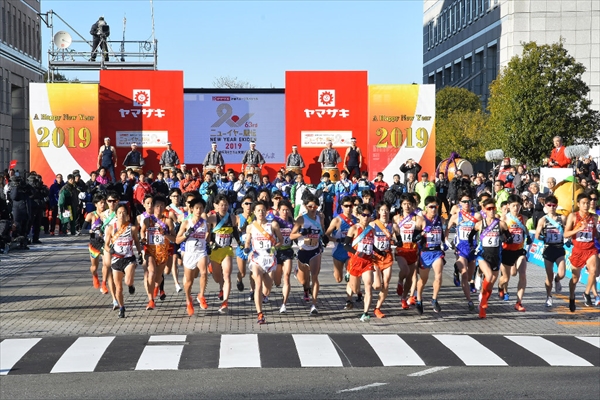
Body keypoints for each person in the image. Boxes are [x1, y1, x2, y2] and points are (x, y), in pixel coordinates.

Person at [468, 198, 512, 318]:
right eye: (489, 209)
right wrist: (472, 246)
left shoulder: (501, 224)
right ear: (484, 210)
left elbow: (509, 237)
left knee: (490, 284)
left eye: (493, 209)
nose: (492, 211)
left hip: (496, 256)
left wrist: (505, 238)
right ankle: (483, 302)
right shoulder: (479, 224)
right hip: (483, 254)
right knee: (489, 276)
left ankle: (483, 304)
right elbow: (470, 236)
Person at [243, 199, 283, 324]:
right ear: (254, 212)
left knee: (268, 285)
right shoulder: (250, 226)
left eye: (263, 210)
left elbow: (280, 241)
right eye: (258, 210)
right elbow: (248, 242)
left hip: (269, 259)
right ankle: (260, 314)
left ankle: (264, 296)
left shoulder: (273, 225)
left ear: (267, 211)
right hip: (257, 258)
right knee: (258, 284)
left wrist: (274, 247)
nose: (261, 212)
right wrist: (247, 250)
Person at [290, 194, 327, 315]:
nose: (313, 208)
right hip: (303, 250)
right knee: (303, 279)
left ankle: (314, 305)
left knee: (315, 276)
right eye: (310, 206)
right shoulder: (301, 219)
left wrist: (324, 237)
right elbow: (291, 235)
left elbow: (322, 230)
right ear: (306, 206)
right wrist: (302, 233)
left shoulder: (320, 217)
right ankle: (301, 280)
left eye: (315, 206)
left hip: (315, 250)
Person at [104, 203, 141, 318]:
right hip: (116, 260)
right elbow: (105, 245)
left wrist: (140, 252)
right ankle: (121, 307)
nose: (121, 215)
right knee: (118, 287)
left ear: (127, 215)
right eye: (119, 213)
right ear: (116, 214)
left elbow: (136, 242)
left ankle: (131, 285)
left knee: (128, 282)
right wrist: (108, 250)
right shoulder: (111, 228)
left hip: (129, 258)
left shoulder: (132, 228)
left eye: (124, 212)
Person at [445, 190, 480, 311]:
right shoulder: (456, 216)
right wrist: (445, 240)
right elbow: (447, 228)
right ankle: (469, 300)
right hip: (461, 247)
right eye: (464, 202)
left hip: (472, 247)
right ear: (460, 203)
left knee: (470, 276)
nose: (467, 204)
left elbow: (484, 228)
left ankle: (456, 268)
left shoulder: (476, 216)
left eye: (469, 201)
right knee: (464, 273)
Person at [564, 192, 599, 311]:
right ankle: (572, 296)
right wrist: (579, 229)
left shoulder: (594, 217)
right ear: (578, 204)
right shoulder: (573, 216)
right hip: (578, 250)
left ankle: (587, 293)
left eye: (588, 203)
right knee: (575, 278)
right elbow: (566, 233)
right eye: (584, 203)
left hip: (590, 249)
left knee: (593, 271)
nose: (586, 205)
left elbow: (595, 234)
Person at [140, 195, 176, 311]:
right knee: (151, 272)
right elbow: (142, 231)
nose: (159, 209)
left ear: (165, 207)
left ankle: (156, 287)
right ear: (153, 207)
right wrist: (143, 239)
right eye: (157, 206)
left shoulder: (168, 221)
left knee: (157, 278)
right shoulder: (147, 220)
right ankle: (151, 300)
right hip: (150, 251)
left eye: (161, 206)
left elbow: (174, 239)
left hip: (163, 253)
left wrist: (165, 234)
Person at [176, 197, 209, 316]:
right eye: (196, 208)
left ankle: (201, 295)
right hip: (189, 254)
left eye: (201, 208)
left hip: (201, 252)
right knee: (188, 282)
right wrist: (186, 234)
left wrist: (209, 243)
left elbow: (207, 236)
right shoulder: (186, 223)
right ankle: (188, 299)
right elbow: (177, 240)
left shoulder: (205, 223)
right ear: (191, 209)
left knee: (204, 273)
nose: (199, 210)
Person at [343, 203, 377, 322]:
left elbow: (373, 246)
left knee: (368, 286)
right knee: (355, 288)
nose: (366, 217)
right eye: (364, 215)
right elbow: (346, 245)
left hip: (367, 262)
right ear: (359, 216)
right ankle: (356, 291)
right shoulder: (354, 228)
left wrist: (379, 253)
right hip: (355, 261)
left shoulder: (372, 230)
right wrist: (356, 253)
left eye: (368, 215)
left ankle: (366, 312)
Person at [207, 194, 238, 314]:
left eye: (226, 205)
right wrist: (210, 242)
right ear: (216, 206)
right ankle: (220, 287)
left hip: (227, 250)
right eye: (221, 205)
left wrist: (240, 243)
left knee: (227, 276)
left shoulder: (232, 218)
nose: (224, 207)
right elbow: (207, 235)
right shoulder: (212, 218)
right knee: (217, 278)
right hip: (215, 251)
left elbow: (235, 233)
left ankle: (225, 302)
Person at [499, 194, 530, 312]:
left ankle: (518, 302)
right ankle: (500, 287)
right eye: (513, 206)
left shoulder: (524, 218)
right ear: (508, 206)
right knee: (506, 278)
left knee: (522, 274)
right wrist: (504, 237)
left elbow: (526, 230)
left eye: (518, 206)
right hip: (507, 251)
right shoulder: (504, 219)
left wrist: (528, 236)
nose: (516, 208)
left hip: (519, 251)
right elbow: (499, 233)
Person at [415, 196, 447, 315]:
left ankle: (434, 299)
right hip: (425, 253)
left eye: (436, 207)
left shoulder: (441, 220)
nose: (434, 209)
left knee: (438, 275)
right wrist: (423, 232)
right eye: (431, 207)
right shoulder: (421, 220)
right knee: (423, 279)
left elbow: (443, 235)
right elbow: (415, 238)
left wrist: (445, 243)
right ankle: (419, 299)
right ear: (426, 208)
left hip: (437, 252)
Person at [534, 195, 567, 307]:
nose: (551, 207)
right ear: (545, 206)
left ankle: (557, 280)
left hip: (559, 248)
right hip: (548, 249)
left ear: (556, 206)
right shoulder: (543, 220)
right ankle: (549, 296)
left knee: (562, 273)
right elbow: (537, 235)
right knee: (549, 276)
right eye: (549, 205)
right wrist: (543, 237)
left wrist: (568, 239)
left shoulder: (562, 218)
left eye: (553, 205)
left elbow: (567, 231)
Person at [394, 193, 425, 309]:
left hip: (413, 250)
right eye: (404, 204)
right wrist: (393, 238)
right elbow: (391, 230)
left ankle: (404, 298)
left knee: (410, 277)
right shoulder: (396, 218)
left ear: (413, 205)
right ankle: (399, 281)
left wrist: (421, 235)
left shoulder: (418, 219)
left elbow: (426, 228)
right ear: (401, 205)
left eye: (409, 204)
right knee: (405, 270)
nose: (407, 206)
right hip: (401, 249)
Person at [371, 202, 399, 318]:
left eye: (386, 210)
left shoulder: (393, 226)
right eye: (382, 210)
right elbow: (366, 239)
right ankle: (367, 290)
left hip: (387, 257)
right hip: (375, 257)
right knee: (377, 286)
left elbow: (399, 241)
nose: (384, 212)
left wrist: (395, 240)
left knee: (386, 283)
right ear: (378, 212)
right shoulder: (373, 224)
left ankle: (378, 308)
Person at [325, 196, 357, 286]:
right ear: (342, 207)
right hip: (338, 251)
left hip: (350, 252)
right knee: (338, 279)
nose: (348, 208)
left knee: (350, 274)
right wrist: (337, 240)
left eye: (350, 206)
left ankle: (350, 296)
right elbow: (326, 235)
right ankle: (338, 273)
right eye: (346, 206)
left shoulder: (356, 220)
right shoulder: (336, 220)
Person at [273, 200, 295, 313]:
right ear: (278, 210)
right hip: (276, 252)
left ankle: (283, 304)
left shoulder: (292, 221)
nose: (285, 212)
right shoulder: (275, 221)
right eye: (283, 210)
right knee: (277, 281)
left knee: (286, 276)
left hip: (287, 251)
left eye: (287, 210)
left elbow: (295, 236)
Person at [85, 193, 107, 289]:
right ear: (96, 204)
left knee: (106, 264)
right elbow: (82, 229)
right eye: (100, 203)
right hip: (94, 243)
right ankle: (95, 275)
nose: (103, 205)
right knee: (94, 267)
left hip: (104, 243)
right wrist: (90, 231)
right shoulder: (91, 215)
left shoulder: (107, 215)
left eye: (104, 203)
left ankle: (104, 283)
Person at [235, 194, 255, 293]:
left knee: (253, 270)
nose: (248, 206)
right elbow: (232, 231)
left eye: (250, 204)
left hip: (252, 247)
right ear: (242, 205)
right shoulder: (237, 217)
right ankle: (239, 279)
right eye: (246, 203)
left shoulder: (256, 217)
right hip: (241, 246)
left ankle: (252, 290)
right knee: (242, 273)